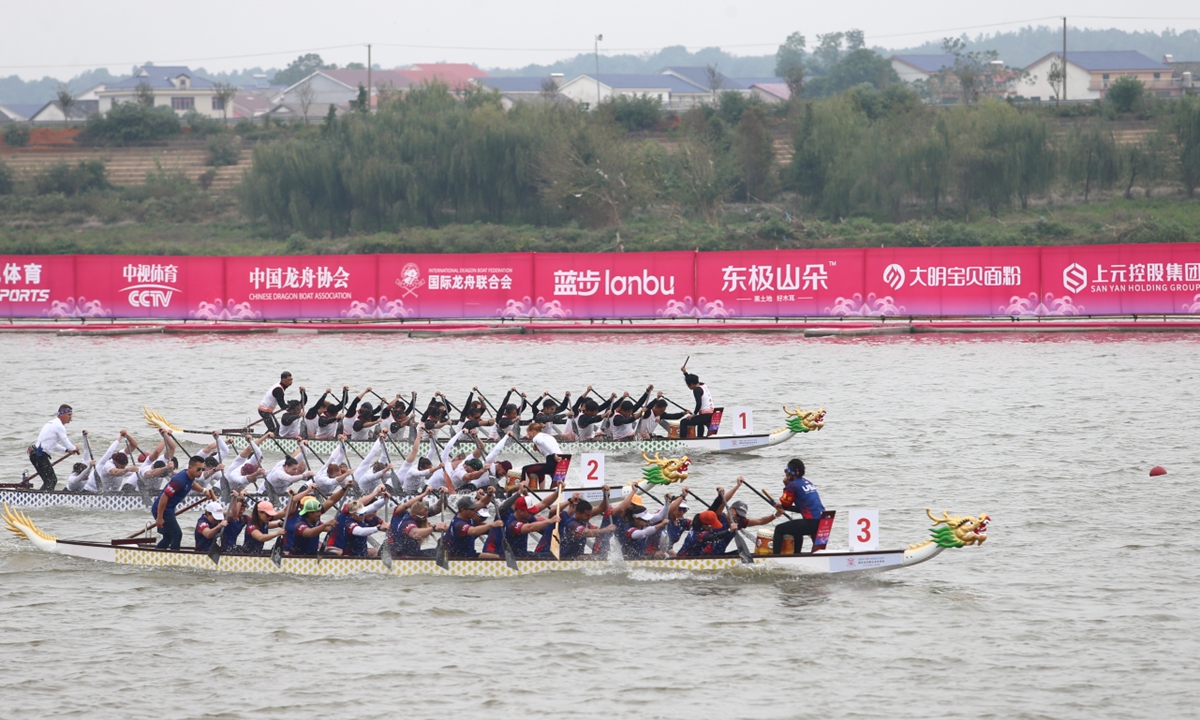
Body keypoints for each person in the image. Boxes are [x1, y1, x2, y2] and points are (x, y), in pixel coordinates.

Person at [153, 453, 216, 551]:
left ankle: (157, 554)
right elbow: (163, 497)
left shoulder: (190, 476)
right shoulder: (179, 481)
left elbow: (191, 484)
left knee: (168, 537)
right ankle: (175, 557)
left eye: (202, 469)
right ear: (190, 467)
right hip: (162, 509)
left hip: (168, 509)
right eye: (198, 469)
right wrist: (159, 517)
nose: (200, 472)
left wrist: (204, 491)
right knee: (177, 534)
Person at [772, 458, 826, 554]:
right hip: (824, 520)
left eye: (785, 471)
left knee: (779, 529)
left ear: (790, 473)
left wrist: (786, 487)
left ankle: (776, 557)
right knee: (797, 530)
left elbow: (785, 505)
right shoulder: (808, 482)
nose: (785, 474)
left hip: (812, 522)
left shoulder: (792, 485)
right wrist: (784, 507)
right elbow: (802, 508)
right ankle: (797, 555)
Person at [29, 404, 79, 491]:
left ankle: (41, 496)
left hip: (35, 455)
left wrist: (66, 450)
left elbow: (52, 444)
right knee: (51, 480)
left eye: (71, 415)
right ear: (61, 414)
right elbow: (68, 444)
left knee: (49, 481)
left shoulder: (52, 423)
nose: (71, 417)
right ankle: (43, 498)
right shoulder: (59, 426)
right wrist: (75, 448)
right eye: (69, 415)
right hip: (39, 456)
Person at [502, 490, 561, 558]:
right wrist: (549, 521)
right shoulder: (512, 524)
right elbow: (529, 528)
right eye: (530, 512)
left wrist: (558, 491)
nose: (532, 513)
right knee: (552, 556)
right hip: (514, 558)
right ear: (520, 511)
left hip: (523, 554)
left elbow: (544, 503)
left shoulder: (525, 515)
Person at [389, 490, 446, 558]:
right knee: (438, 553)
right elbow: (415, 533)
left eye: (426, 516)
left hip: (412, 552)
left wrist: (443, 495)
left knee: (441, 550)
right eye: (424, 517)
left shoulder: (418, 515)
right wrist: (433, 528)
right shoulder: (407, 522)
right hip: (401, 556)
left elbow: (439, 508)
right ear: (414, 516)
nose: (425, 518)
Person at [678, 365, 715, 438]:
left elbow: (699, 404)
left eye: (688, 385)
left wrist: (694, 414)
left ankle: (683, 440)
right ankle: (699, 438)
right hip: (712, 414)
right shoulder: (703, 385)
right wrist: (685, 373)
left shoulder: (696, 390)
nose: (688, 387)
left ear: (691, 384)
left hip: (706, 416)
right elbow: (691, 379)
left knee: (683, 422)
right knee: (699, 421)